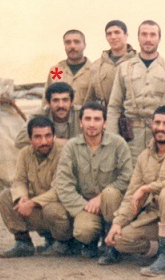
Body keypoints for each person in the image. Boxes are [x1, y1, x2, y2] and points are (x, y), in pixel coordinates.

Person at [102, 106, 165, 275]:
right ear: (151, 124)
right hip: (155, 216)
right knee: (120, 240)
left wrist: (148, 188)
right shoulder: (145, 156)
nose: (160, 128)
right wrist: (117, 223)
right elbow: (131, 194)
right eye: (157, 123)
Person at [55, 102, 133, 257]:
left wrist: (100, 198)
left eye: (97, 119)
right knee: (83, 231)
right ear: (80, 122)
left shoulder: (118, 144)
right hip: (86, 205)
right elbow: (63, 183)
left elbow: (127, 177)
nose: (92, 124)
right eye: (87, 119)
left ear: (104, 123)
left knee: (110, 193)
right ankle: (91, 241)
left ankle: (111, 246)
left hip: (114, 206)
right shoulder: (71, 147)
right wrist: (86, 205)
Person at [107, 20, 165, 162]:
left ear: (159, 38)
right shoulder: (125, 68)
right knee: (131, 172)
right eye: (144, 35)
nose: (148, 39)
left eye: (153, 35)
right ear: (138, 37)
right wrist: (112, 140)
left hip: (163, 136)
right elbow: (114, 107)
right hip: (131, 138)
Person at [0, 117, 71, 257]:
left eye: (48, 136)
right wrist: (23, 198)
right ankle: (23, 242)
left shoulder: (64, 154)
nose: (44, 142)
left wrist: (31, 203)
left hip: (61, 208)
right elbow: (19, 181)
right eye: (38, 137)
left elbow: (59, 190)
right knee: (6, 197)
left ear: (54, 136)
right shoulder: (25, 153)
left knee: (52, 210)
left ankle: (63, 243)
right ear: (29, 138)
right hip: (39, 206)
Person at [84, 20, 137, 106]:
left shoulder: (137, 62)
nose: (113, 37)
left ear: (126, 35)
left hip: (131, 112)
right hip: (104, 112)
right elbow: (90, 97)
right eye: (109, 34)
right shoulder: (96, 66)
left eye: (117, 32)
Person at [15, 82, 81, 149]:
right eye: (55, 100)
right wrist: (52, 140)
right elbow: (20, 141)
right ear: (48, 103)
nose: (61, 105)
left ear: (71, 102)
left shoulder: (81, 114)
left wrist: (66, 143)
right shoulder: (39, 115)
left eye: (65, 100)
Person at [45, 29, 92, 106]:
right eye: (68, 42)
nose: (72, 46)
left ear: (84, 45)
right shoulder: (56, 70)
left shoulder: (94, 71)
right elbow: (46, 101)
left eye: (76, 42)